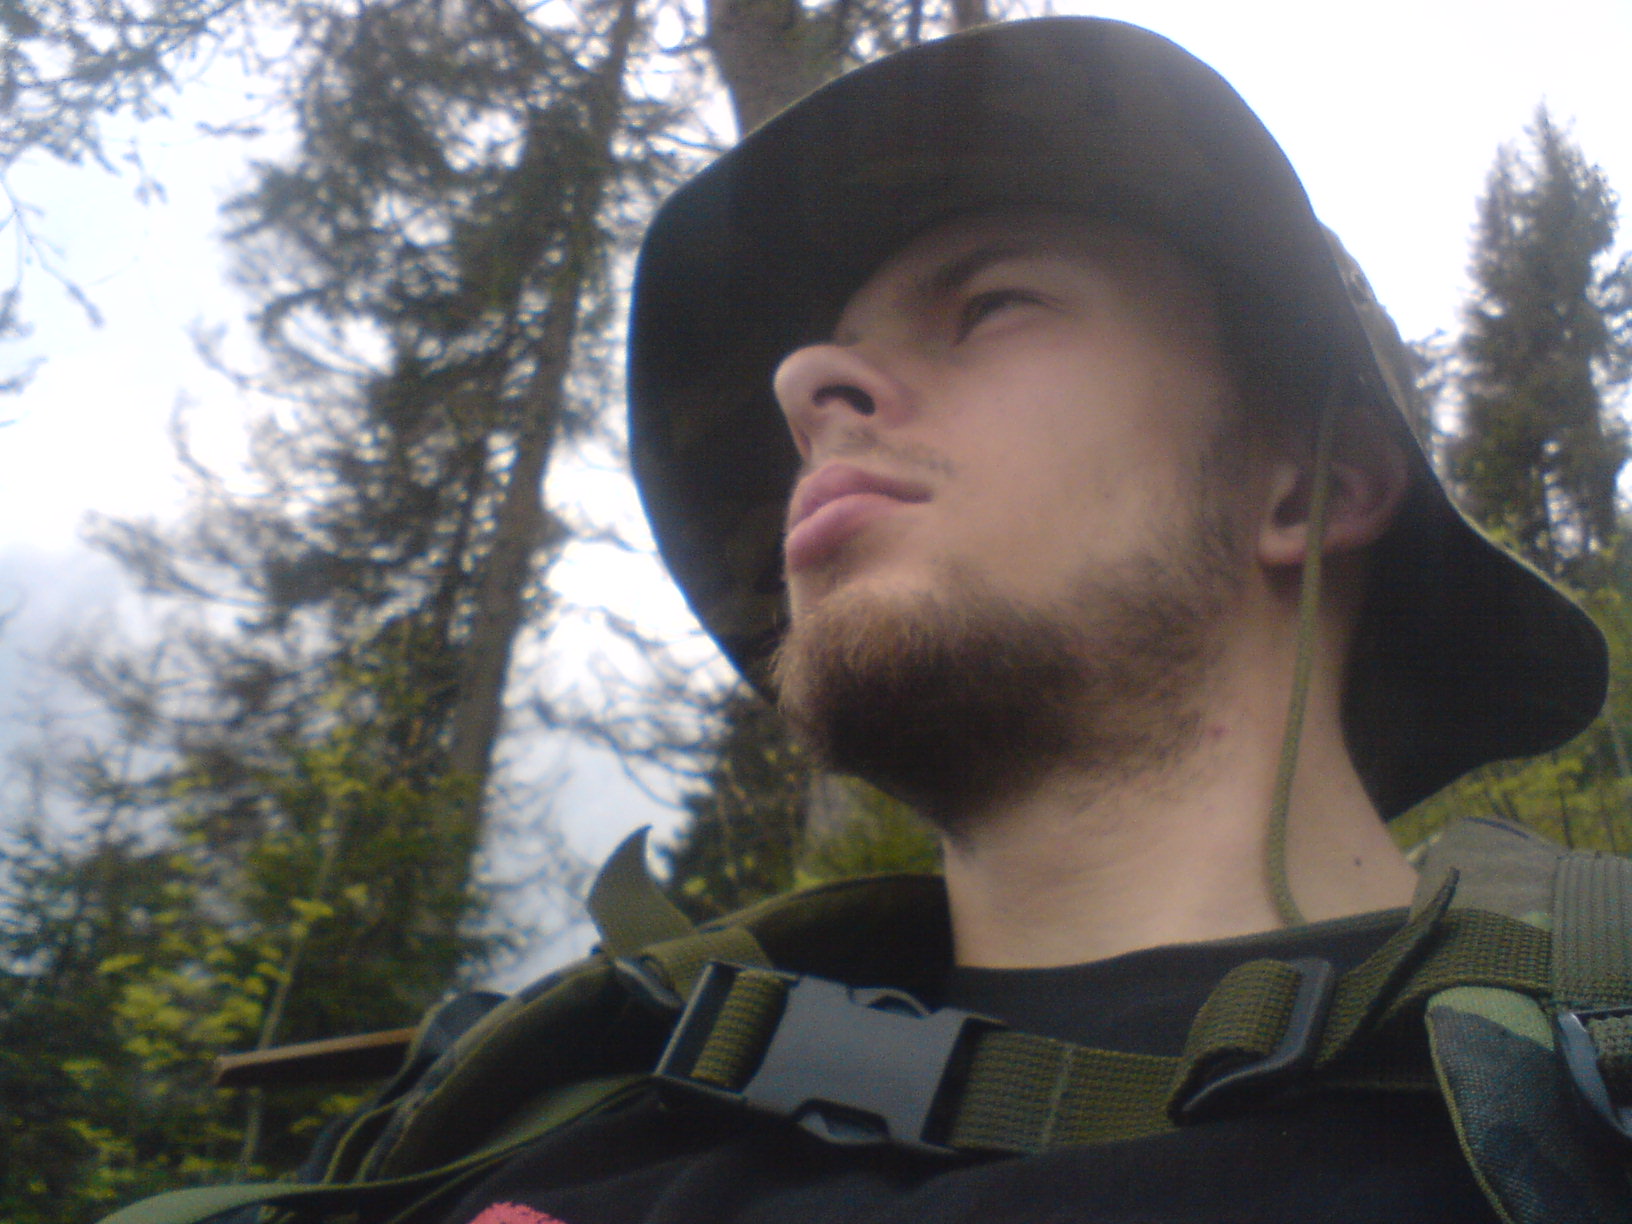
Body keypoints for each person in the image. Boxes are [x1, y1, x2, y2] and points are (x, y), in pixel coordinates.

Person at [96, 16, 1619, 1224]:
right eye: (817, 364)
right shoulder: (547, 1122)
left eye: (992, 302)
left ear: (1306, 486)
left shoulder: (1578, 1100)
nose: (804, 390)